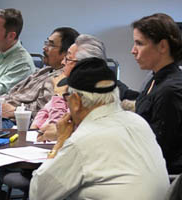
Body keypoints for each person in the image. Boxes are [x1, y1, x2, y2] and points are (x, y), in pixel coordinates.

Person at [29, 57, 170, 200]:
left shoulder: (82, 141)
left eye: (67, 96)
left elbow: (38, 193)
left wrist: (60, 142)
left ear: (76, 101)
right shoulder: (138, 122)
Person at [0, 27, 79, 128]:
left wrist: (15, 111)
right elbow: (13, 92)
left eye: (51, 45)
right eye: (46, 43)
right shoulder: (44, 70)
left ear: (65, 54)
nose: (44, 48)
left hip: (14, 122)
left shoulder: (60, 80)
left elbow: (45, 113)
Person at [131, 13, 182, 174]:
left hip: (162, 177)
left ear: (162, 46)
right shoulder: (154, 80)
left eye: (139, 43)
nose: (133, 51)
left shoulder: (170, 90)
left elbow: (161, 147)